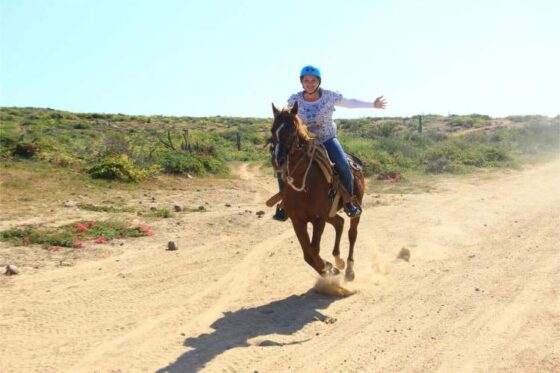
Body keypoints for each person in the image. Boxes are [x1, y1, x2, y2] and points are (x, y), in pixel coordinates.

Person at [273, 65, 387, 221]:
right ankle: (284, 202)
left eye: (313, 80)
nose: (310, 83)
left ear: (318, 82)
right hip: (305, 140)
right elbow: (288, 115)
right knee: (281, 162)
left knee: (342, 163)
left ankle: (348, 201)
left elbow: (349, 103)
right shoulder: (295, 99)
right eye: (306, 80)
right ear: (302, 82)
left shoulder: (329, 96)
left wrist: (372, 105)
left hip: (327, 138)